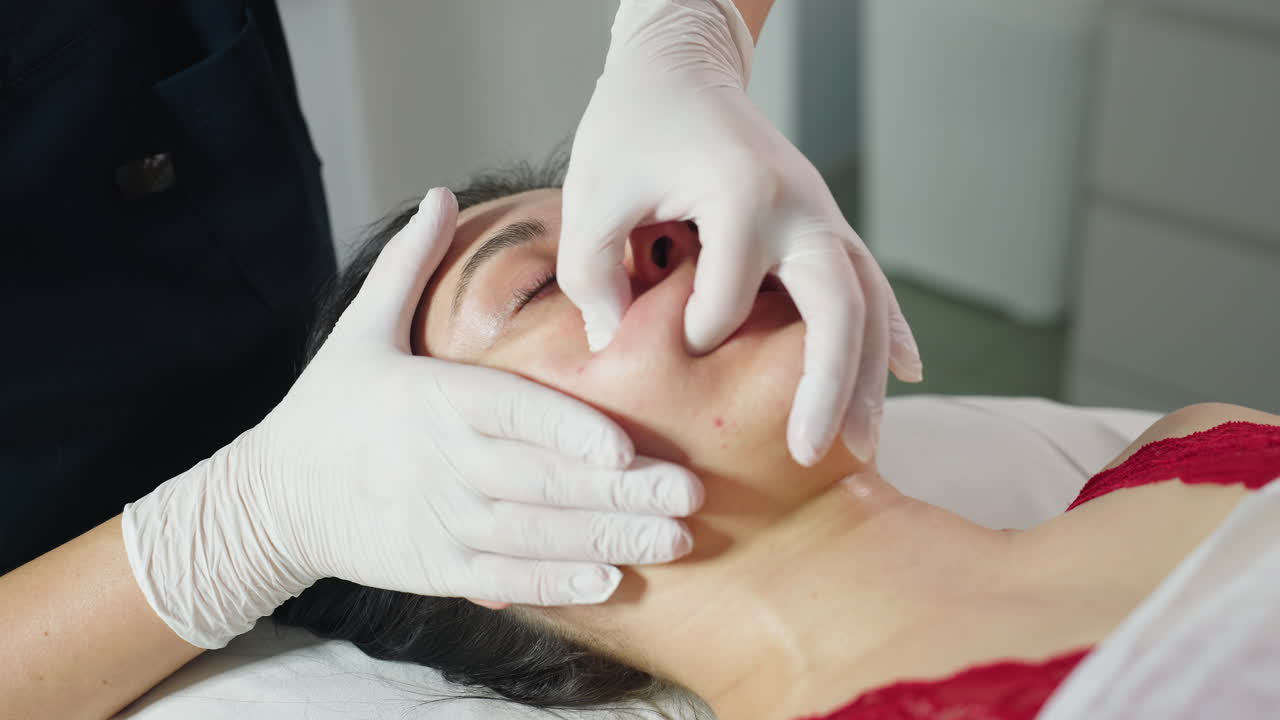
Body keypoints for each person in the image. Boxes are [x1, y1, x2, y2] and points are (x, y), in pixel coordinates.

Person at [264, 170, 1277, 719]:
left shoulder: (1200, 440)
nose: (674, 238)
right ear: (464, 517)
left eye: (659, 210)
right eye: (534, 286)